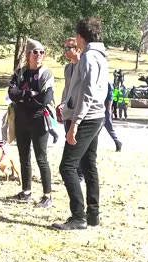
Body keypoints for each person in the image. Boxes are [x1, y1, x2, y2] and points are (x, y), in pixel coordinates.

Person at [52, 17, 108, 230]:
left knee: (67, 166)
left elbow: (87, 93)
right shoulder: (101, 56)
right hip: (96, 116)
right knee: (88, 165)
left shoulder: (88, 57)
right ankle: (92, 215)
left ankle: (78, 217)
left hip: (87, 118)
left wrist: (75, 122)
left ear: (80, 36)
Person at [7, 38, 54, 208]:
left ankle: (47, 195)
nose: (39, 55)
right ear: (28, 54)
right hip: (21, 120)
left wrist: (24, 96)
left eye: (42, 52)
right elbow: (11, 93)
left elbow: (45, 99)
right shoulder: (20, 73)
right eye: (36, 52)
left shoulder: (46, 74)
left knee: (41, 158)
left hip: (39, 120)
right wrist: (30, 94)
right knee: (23, 156)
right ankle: (26, 191)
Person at [56, 37, 85, 182]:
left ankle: (80, 173)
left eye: (69, 48)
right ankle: (74, 170)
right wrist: (62, 103)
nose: (65, 51)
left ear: (78, 49)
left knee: (78, 141)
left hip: (80, 110)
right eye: (65, 47)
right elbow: (67, 89)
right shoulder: (68, 68)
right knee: (69, 139)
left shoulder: (84, 66)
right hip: (68, 110)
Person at [105, 82, 122, 152]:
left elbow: (110, 97)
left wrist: (108, 109)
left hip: (105, 109)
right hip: (100, 108)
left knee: (109, 127)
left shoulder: (108, 84)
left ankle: (117, 142)